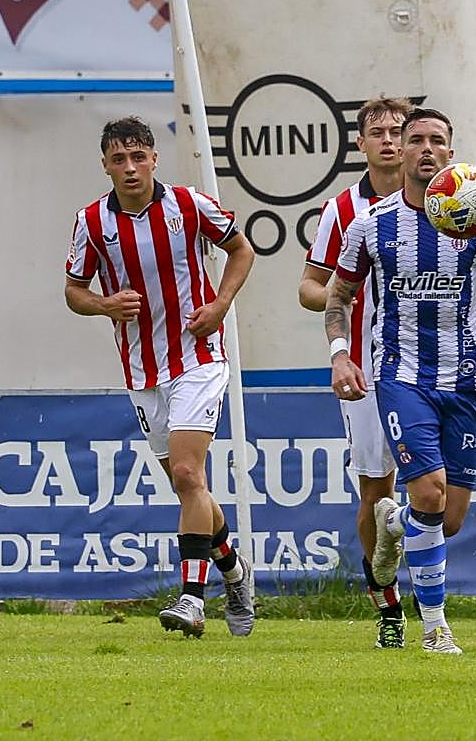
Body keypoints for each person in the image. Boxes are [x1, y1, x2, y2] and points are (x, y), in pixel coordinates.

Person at [324, 108, 476, 655]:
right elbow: (338, 296)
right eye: (416, 139)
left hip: (464, 379)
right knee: (430, 491)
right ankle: (435, 626)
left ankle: (394, 523)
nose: (426, 149)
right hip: (400, 377)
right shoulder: (373, 223)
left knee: (448, 518)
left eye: (438, 140)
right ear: (404, 151)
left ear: (450, 153)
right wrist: (341, 357)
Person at [64, 117, 256, 639]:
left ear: (153, 159)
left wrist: (219, 304)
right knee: (188, 486)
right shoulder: (91, 222)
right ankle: (234, 570)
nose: (130, 168)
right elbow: (73, 291)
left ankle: (192, 599)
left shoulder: (189, 205)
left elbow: (242, 250)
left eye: (138, 157)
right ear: (105, 166)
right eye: (119, 160)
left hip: (198, 356)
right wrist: (105, 304)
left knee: (190, 474)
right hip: (142, 370)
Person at [299, 95, 413, 648]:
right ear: (361, 143)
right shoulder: (343, 209)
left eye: (399, 132)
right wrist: (347, 290)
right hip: (367, 366)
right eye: (379, 133)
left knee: (437, 491)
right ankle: (388, 609)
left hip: (433, 362)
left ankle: (427, 585)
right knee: (376, 488)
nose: (389, 141)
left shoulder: (447, 201)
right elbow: (309, 286)